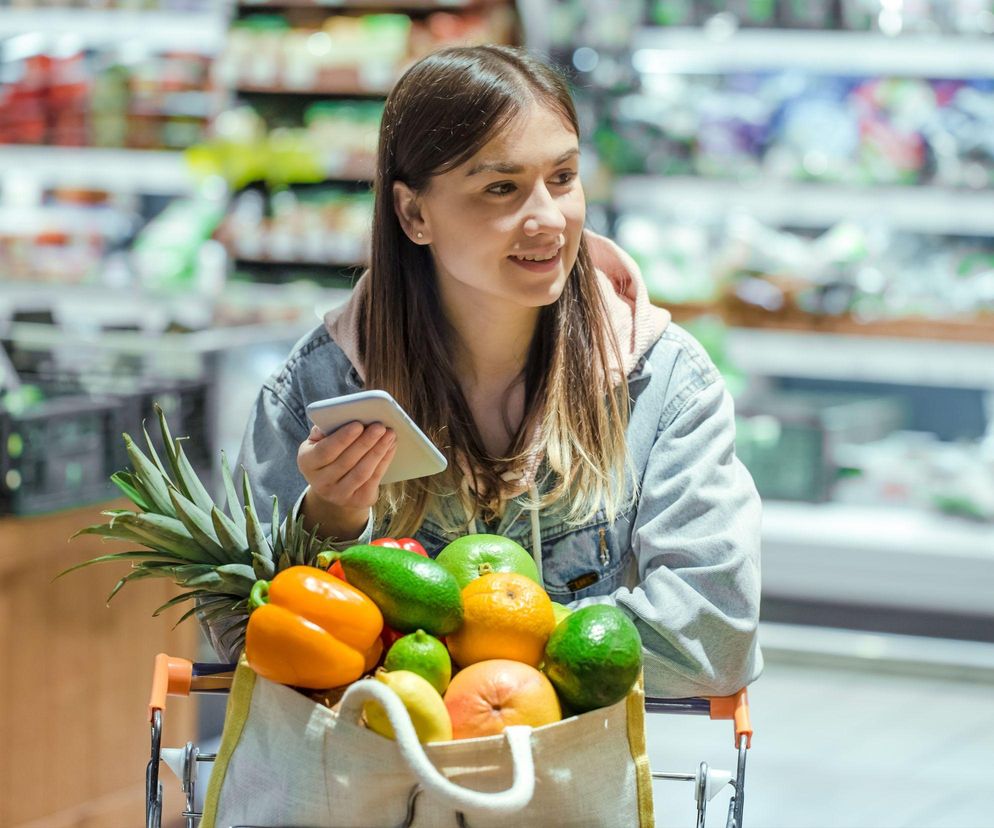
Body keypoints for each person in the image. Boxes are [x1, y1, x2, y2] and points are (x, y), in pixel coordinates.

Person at [212, 45, 762, 698]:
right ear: (415, 213)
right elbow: (237, 626)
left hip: (562, 795)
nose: (550, 218)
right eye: (502, 187)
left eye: (562, 178)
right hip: (368, 787)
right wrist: (330, 520)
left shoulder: (663, 383)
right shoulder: (323, 385)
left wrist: (486, 648)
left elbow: (717, 633)